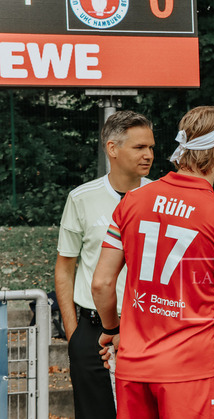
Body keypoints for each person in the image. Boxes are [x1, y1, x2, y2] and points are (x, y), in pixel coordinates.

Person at [91, 106, 214, 418]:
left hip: (134, 368)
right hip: (192, 372)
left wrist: (112, 329)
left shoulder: (132, 200)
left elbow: (102, 284)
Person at [54, 110, 155, 419]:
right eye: (139, 147)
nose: (149, 155)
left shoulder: (161, 197)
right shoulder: (81, 198)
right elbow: (65, 267)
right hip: (92, 329)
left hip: (146, 327)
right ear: (112, 148)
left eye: (151, 147)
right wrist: (74, 334)